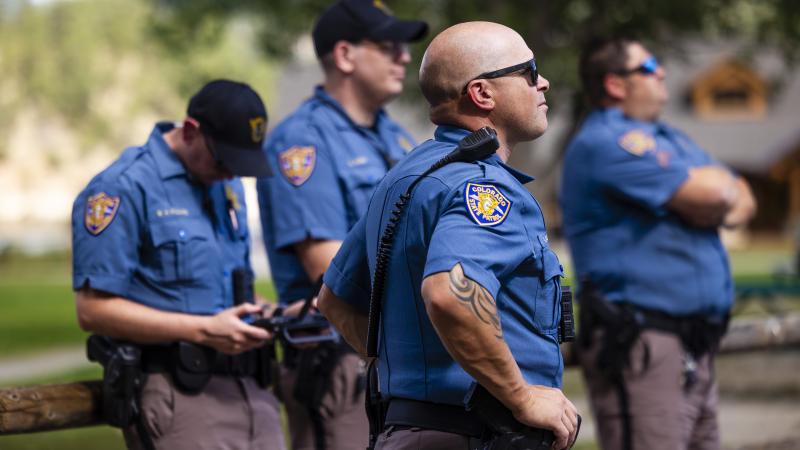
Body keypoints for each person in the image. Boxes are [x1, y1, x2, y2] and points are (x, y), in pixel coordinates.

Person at [318, 21, 580, 450]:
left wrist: (406, 372)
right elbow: (449, 294)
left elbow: (335, 298)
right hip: (472, 434)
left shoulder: (407, 176)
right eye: (530, 71)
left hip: (409, 430)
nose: (543, 82)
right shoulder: (484, 187)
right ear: (482, 93)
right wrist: (521, 397)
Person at [560, 37, 757, 450]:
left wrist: (708, 199)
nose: (662, 73)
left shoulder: (669, 137)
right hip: (643, 344)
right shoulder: (608, 142)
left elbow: (743, 195)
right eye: (649, 68)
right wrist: (708, 199)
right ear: (615, 84)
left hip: (693, 345)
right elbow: (721, 195)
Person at [72, 80, 285, 450]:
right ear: (190, 131)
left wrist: (277, 313)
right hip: (179, 393)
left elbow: (217, 285)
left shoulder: (224, 185)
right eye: (225, 160)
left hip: (252, 391)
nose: (232, 174)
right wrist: (202, 330)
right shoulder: (122, 188)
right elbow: (92, 310)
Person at [255, 1, 427, 449]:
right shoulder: (302, 143)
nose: (404, 57)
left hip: (399, 356)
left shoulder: (397, 137)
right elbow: (328, 269)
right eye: (389, 46)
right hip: (340, 363)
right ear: (346, 56)